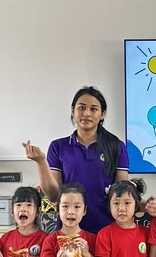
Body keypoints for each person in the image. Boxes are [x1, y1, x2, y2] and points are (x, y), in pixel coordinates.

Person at [23, 85, 130, 233]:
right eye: (82, 108)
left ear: (102, 114)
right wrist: (41, 162)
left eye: (93, 109)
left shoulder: (116, 146)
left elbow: (122, 193)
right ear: (73, 111)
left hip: (107, 230)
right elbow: (54, 195)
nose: (87, 113)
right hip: (69, 229)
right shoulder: (58, 146)